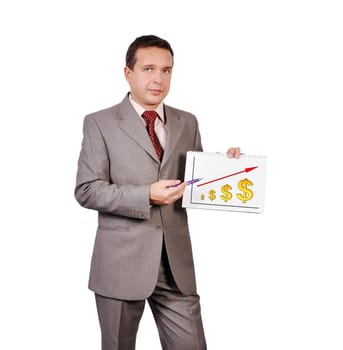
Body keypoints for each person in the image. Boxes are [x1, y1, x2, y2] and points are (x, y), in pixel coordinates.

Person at [75, 34, 240, 350]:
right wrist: (146, 195)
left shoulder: (186, 122)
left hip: (176, 265)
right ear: (128, 73)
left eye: (166, 70)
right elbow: (87, 190)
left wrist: (227, 168)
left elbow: (195, 184)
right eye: (149, 69)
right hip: (121, 265)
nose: (158, 79)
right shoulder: (100, 123)